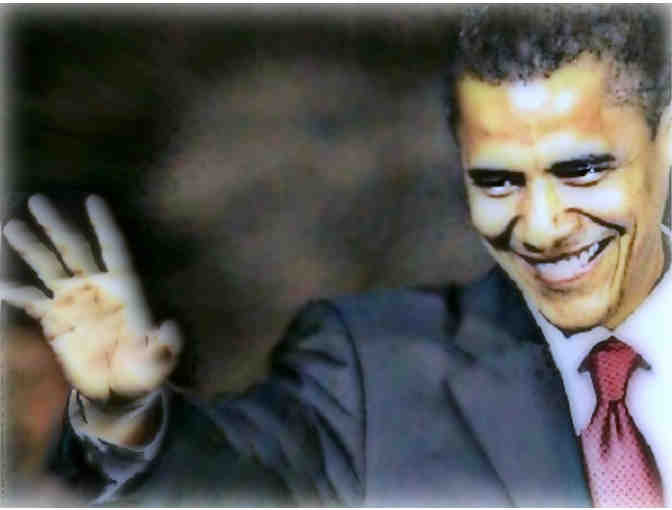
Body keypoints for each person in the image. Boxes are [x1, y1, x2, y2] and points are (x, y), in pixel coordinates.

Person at [2, 5, 671, 506]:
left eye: (582, 170)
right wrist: (129, 419)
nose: (543, 227)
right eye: (497, 181)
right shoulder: (373, 374)